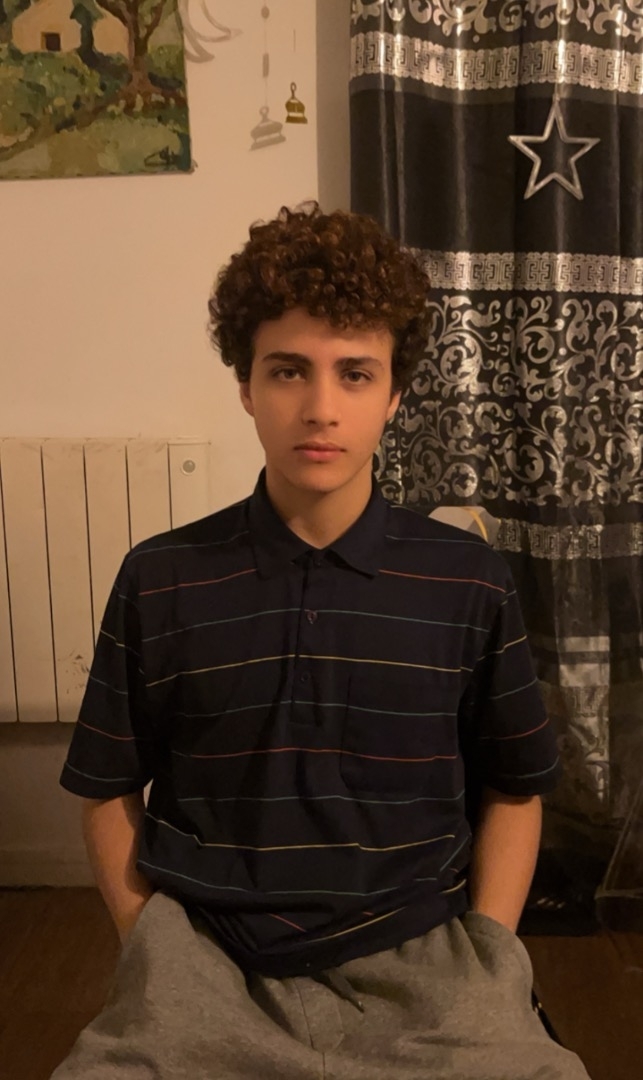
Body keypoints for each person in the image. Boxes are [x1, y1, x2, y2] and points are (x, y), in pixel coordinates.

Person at [52, 205, 589, 1079]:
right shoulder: (161, 577)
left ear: (394, 394)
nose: (320, 408)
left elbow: (514, 787)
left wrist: (492, 956)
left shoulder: (467, 581)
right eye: (288, 371)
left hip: (425, 963)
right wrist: (148, 942)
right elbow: (107, 786)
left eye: (355, 374)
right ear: (246, 385)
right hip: (203, 957)